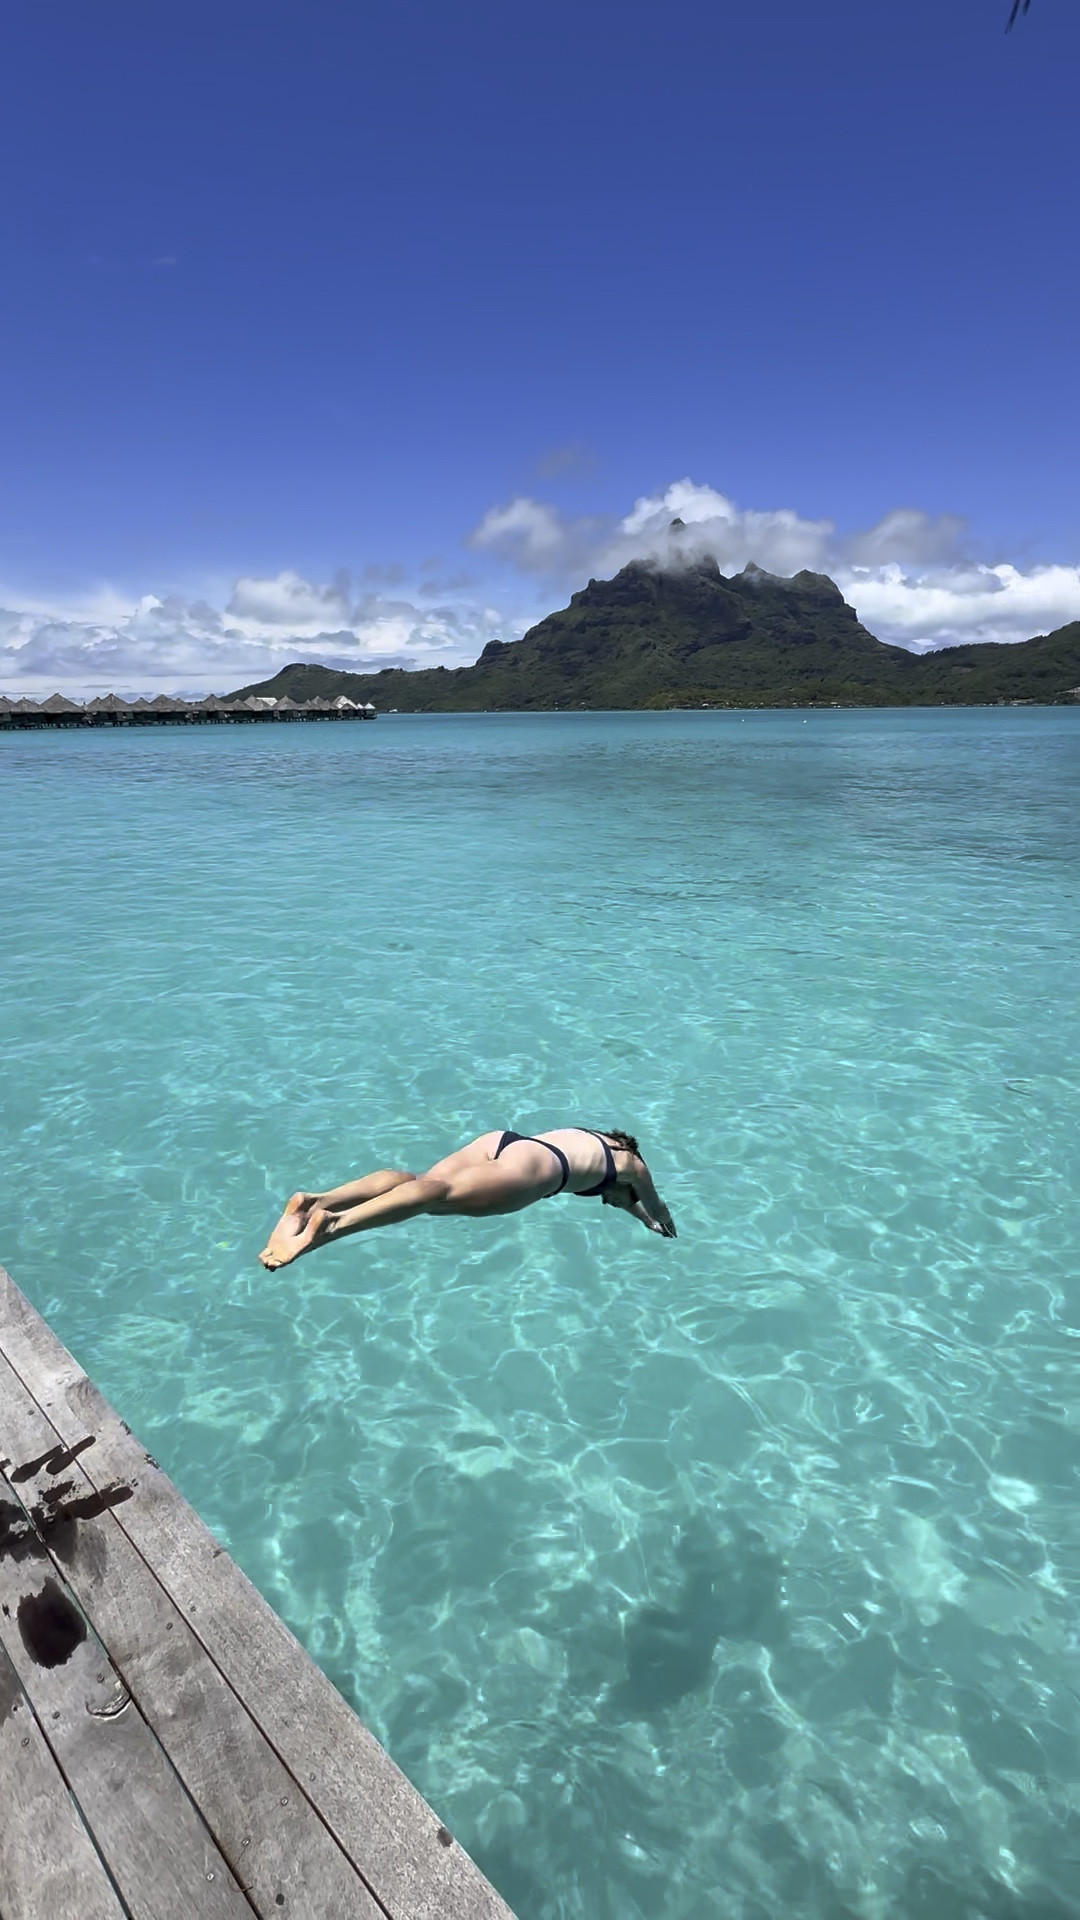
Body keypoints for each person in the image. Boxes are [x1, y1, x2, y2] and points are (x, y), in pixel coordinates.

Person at [258, 1126, 676, 1270]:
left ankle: (318, 1201)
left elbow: (632, 1201)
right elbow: (655, 1206)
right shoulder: (632, 1166)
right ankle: (331, 1225)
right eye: (613, 1200)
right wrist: (654, 1221)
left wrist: (635, 1213)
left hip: (505, 1141)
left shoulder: (595, 1138)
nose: (607, 1202)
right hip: (541, 1170)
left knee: (417, 1182)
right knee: (433, 1198)